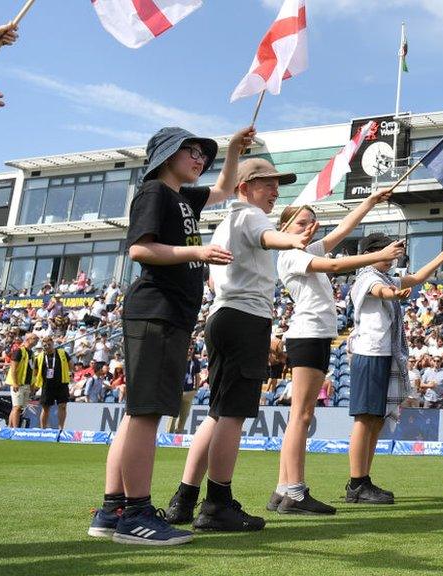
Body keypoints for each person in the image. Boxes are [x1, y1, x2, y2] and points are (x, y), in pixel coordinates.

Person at [88, 126, 252, 546]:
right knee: (145, 413)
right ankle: (137, 514)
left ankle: (113, 509)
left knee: (138, 412)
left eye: (203, 153)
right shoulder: (154, 193)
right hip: (156, 311)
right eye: (191, 151)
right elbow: (140, 250)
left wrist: (232, 149)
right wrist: (196, 252)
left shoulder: (182, 197)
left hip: (168, 315)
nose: (199, 159)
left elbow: (223, 188)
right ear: (165, 155)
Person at [164, 157, 316, 532]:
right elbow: (269, 236)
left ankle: (185, 499)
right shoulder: (250, 216)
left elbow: (216, 281)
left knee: (217, 413)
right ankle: (217, 504)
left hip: (224, 315)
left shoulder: (224, 225)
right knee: (231, 415)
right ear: (244, 188)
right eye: (267, 184)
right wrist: (294, 239)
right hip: (244, 318)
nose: (276, 191)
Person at [268, 193, 403, 516]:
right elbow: (335, 264)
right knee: (301, 416)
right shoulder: (291, 255)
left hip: (313, 334)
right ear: (284, 227)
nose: (309, 228)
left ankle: (282, 489)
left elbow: (340, 231)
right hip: (309, 334)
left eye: (311, 222)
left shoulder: (300, 250)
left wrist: (369, 202)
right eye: (301, 222)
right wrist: (377, 256)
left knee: (299, 416)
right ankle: (295, 491)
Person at [345, 234, 443, 505]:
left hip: (383, 353)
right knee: (365, 419)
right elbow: (380, 292)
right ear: (376, 252)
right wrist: (394, 294)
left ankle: (362, 479)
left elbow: (418, 278)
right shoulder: (367, 277)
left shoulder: (385, 277)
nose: (396, 255)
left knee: (374, 419)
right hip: (370, 353)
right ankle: (356, 483)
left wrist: (441, 257)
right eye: (391, 250)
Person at [36, 336, 71, 429]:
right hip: (47, 385)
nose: (47, 347)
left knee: (62, 406)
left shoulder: (62, 353)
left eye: (49, 345)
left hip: (61, 383)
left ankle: (61, 428)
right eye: (45, 346)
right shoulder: (40, 356)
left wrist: (70, 373)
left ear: (53, 344)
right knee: (46, 408)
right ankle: (43, 429)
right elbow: (36, 370)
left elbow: (70, 364)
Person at [6, 333, 37, 428]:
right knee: (17, 407)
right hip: (18, 384)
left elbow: (32, 370)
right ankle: (16, 429)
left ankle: (10, 428)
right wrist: (15, 383)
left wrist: (32, 384)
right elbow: (13, 368)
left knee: (18, 408)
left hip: (26, 384)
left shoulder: (31, 353)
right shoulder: (19, 351)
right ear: (28, 339)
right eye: (35, 338)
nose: (37, 340)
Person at [167, 347, 201, 434]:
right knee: (173, 415)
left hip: (189, 392)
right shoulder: (179, 358)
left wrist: (196, 389)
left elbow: (197, 376)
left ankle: (178, 435)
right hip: (177, 391)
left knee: (184, 416)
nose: (190, 350)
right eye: (188, 348)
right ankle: (169, 435)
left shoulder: (195, 361)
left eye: (192, 349)